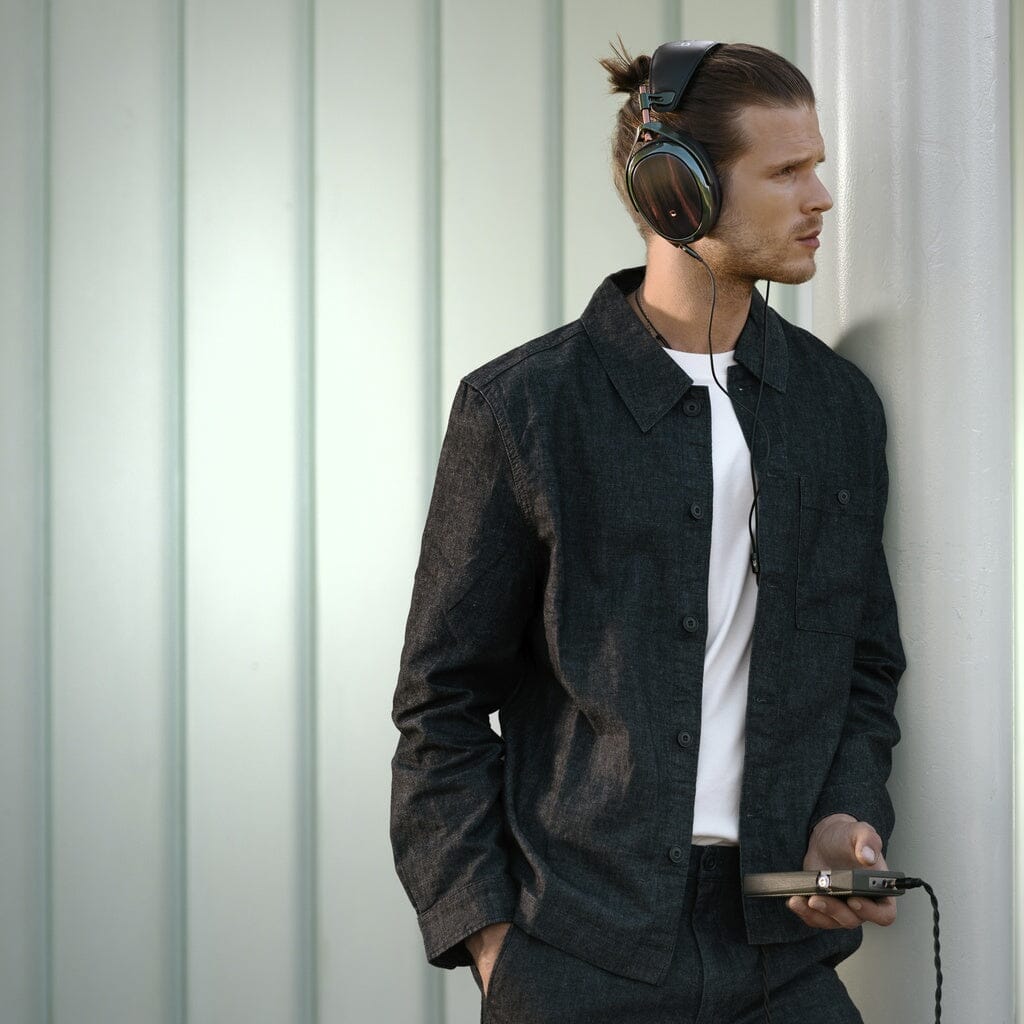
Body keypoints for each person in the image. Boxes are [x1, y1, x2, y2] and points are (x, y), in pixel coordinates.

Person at [391, 39, 904, 1024]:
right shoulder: (523, 409)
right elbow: (441, 703)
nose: (822, 198)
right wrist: (495, 945)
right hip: (579, 953)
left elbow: (864, 666)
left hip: (781, 958)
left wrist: (848, 815)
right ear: (679, 192)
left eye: (819, 166)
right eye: (788, 170)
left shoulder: (837, 407)